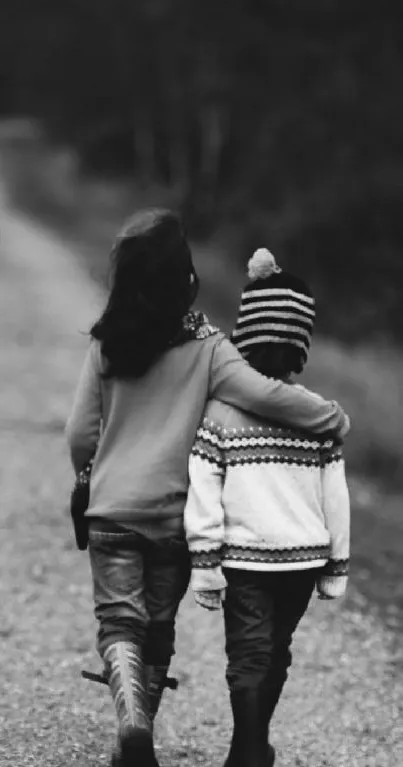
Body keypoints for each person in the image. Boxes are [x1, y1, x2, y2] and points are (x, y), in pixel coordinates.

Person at [66, 213, 349, 767]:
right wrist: (330, 417)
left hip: (111, 514)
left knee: (120, 621)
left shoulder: (106, 345)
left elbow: (81, 432)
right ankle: (139, 728)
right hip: (173, 519)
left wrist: (89, 474)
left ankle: (132, 724)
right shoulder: (208, 347)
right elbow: (265, 394)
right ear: (185, 279)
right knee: (158, 626)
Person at [184, 247, 350, 767]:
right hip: (304, 559)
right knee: (276, 650)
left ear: (244, 336)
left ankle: (248, 747)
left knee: (250, 653)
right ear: (301, 342)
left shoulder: (219, 414)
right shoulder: (318, 418)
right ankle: (252, 745)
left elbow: (202, 485)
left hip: (245, 559)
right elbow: (335, 497)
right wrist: (337, 566)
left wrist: (205, 561)